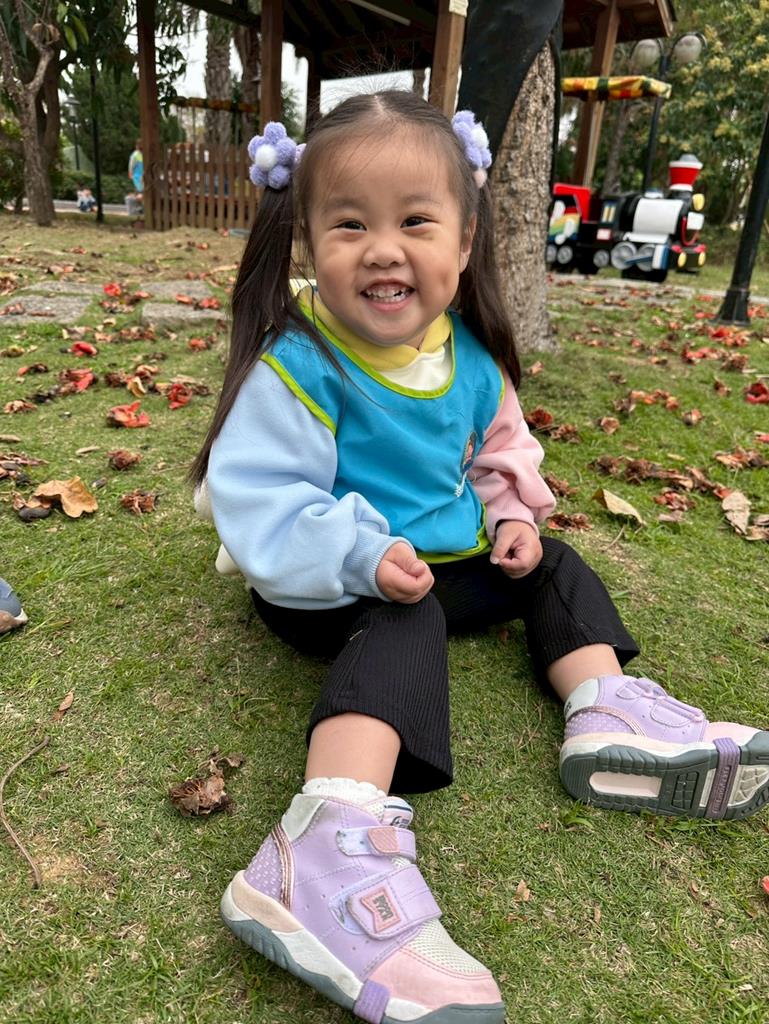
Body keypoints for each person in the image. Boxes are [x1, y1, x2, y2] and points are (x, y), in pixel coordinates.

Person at [191, 94, 769, 1024]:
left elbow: (501, 451)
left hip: (439, 562)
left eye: (415, 222)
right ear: (306, 243)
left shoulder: (468, 356)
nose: (383, 250)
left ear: (463, 243)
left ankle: (603, 706)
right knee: (406, 614)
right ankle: (324, 840)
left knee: (549, 562)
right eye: (350, 225)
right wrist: (361, 553)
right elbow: (264, 496)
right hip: (319, 582)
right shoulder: (298, 363)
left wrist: (510, 517)